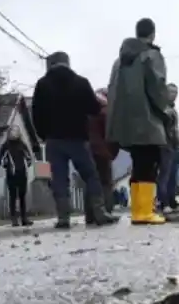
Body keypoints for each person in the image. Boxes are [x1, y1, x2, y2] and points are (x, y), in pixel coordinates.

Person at [31, 51, 116, 229]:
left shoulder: (42, 84)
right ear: (68, 63)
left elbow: (36, 113)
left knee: (60, 179)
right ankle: (100, 213)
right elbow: (93, 109)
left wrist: (43, 134)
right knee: (91, 176)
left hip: (54, 140)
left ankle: (63, 218)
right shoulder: (81, 82)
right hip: (78, 139)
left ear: (51, 64)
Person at [106, 17, 170, 225]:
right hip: (147, 120)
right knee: (149, 164)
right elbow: (158, 88)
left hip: (125, 123)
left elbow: (112, 91)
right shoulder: (151, 55)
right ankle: (144, 212)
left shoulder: (119, 61)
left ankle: (138, 211)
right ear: (152, 34)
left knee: (138, 164)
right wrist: (165, 110)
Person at [88, 88, 120, 214]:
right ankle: (106, 211)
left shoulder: (88, 112)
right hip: (103, 151)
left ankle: (90, 214)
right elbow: (112, 135)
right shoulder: (106, 112)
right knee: (105, 182)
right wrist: (113, 152)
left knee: (91, 181)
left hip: (88, 151)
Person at [0, 128, 34, 226]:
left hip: (22, 173)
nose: (13, 135)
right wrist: (5, 164)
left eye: (15, 133)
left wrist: (27, 163)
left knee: (22, 196)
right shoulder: (5, 146)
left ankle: (24, 218)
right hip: (11, 174)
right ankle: (14, 219)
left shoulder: (22, 144)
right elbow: (0, 159)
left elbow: (29, 157)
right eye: (12, 133)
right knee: (12, 196)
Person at [157, 82, 179, 212]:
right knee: (165, 174)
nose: (174, 95)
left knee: (172, 174)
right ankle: (164, 202)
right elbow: (168, 127)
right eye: (171, 92)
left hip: (174, 145)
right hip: (166, 144)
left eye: (176, 93)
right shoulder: (164, 109)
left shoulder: (172, 109)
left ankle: (171, 200)